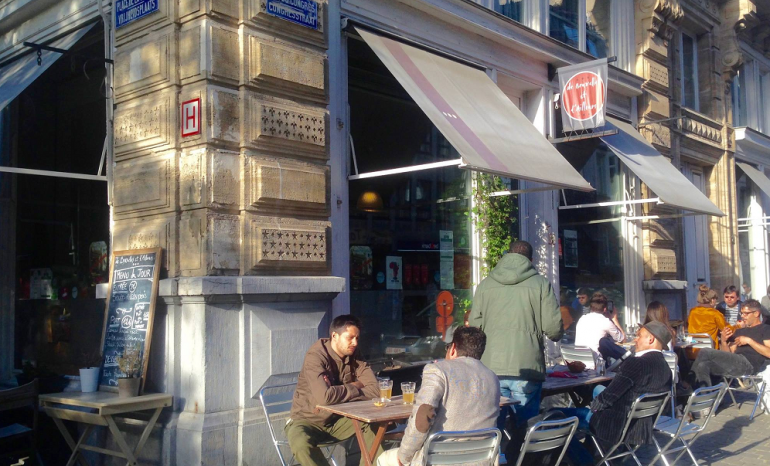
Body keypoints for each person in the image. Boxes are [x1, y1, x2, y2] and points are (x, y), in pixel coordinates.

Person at [468, 240, 563, 429]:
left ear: (506, 255)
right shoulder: (541, 284)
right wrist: (556, 334)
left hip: (491, 365)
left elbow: (474, 325)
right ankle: (522, 449)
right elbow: (553, 328)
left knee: (493, 426)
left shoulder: (486, 284)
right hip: (527, 365)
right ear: (531, 260)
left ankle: (496, 449)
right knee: (526, 427)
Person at [376, 327, 500, 466]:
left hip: (439, 459)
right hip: (481, 459)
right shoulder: (492, 378)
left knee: (384, 459)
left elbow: (422, 420)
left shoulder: (438, 370)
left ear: (453, 349)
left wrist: (404, 456)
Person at [559, 321, 674, 466]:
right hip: (642, 425)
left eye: (639, 336)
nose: (635, 340)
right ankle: (591, 449)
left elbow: (607, 398)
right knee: (597, 389)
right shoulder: (666, 368)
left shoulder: (635, 363)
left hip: (616, 424)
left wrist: (593, 409)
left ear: (650, 339)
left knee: (555, 416)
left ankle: (585, 460)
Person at [286, 315, 381, 466]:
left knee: (373, 422)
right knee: (300, 444)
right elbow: (325, 397)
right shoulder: (315, 357)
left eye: (357, 338)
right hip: (307, 420)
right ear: (334, 336)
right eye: (350, 338)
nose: (355, 343)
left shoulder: (355, 354)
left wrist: (336, 392)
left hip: (339, 420)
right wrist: (356, 385)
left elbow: (375, 391)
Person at [690, 299, 770, 389]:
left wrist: (749, 341)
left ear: (756, 313)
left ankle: (687, 382)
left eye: (746, 313)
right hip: (736, 364)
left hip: (750, 364)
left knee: (705, 351)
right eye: (741, 313)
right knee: (703, 365)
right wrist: (724, 341)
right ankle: (706, 394)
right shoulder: (739, 331)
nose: (742, 316)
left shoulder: (765, 329)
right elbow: (729, 353)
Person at [574, 292, 626, 365]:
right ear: (605, 309)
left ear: (591, 307)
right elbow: (622, 339)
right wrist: (614, 319)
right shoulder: (605, 322)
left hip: (579, 362)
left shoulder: (582, 318)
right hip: (596, 364)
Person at [687, 285, 726, 350]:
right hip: (710, 351)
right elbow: (725, 329)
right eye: (716, 300)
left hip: (693, 349)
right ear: (712, 300)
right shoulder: (715, 313)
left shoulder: (692, 312)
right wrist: (738, 326)